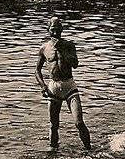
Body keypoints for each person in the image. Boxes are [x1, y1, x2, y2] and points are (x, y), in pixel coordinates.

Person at [35, 16, 91, 150]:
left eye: (58, 29)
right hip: (53, 86)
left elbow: (76, 64)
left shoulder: (69, 45)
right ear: (48, 30)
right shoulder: (44, 48)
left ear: (62, 30)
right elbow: (37, 71)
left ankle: (89, 150)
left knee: (79, 122)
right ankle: (53, 152)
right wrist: (43, 86)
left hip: (69, 85)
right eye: (52, 29)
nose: (55, 32)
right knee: (53, 125)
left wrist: (63, 50)